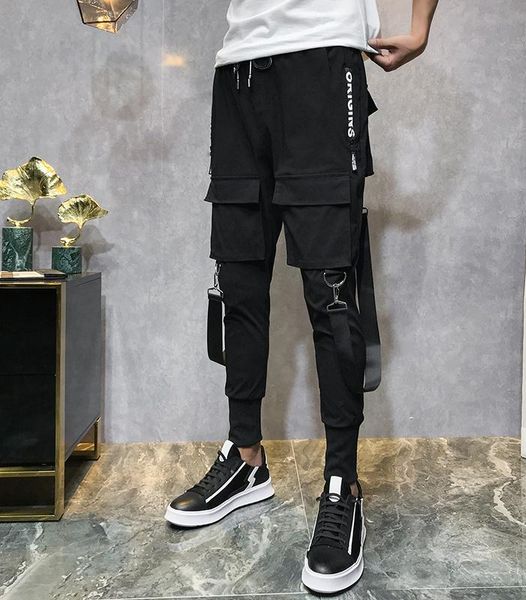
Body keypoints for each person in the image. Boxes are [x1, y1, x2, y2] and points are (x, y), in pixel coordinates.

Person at [165, 0, 438, 593]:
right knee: (237, 283)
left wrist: (419, 28)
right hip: (237, 72)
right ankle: (245, 458)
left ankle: (343, 484)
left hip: (322, 66)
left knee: (330, 293)